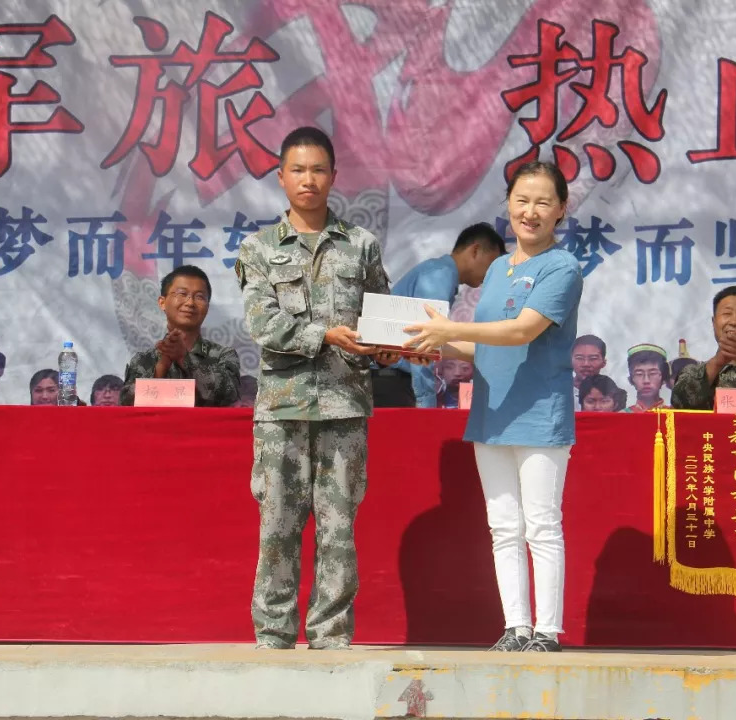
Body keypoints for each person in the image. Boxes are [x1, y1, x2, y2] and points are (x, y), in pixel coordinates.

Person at [404, 161, 583, 653]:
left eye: (543, 202)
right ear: (508, 204)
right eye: (522, 200)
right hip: (492, 411)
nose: (530, 211)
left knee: (541, 525)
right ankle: (516, 626)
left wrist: (450, 329)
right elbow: (484, 345)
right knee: (503, 526)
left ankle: (547, 631)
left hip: (540, 413)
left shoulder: (561, 267)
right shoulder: (499, 269)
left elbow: (523, 330)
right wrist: (432, 346)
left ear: (561, 209)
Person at [236, 126, 391, 650]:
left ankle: (331, 636)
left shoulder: (361, 245)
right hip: (281, 408)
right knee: (277, 526)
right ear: (281, 177)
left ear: (334, 176)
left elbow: (381, 318)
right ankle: (273, 635)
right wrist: (324, 335)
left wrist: (395, 347)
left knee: (338, 528)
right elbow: (263, 324)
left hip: (345, 405)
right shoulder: (259, 248)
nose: (309, 180)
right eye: (298, 170)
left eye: (318, 170)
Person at [375, 223, 506, 408]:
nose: (491, 275)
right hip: (392, 383)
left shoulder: (439, 273)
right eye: (492, 265)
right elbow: (422, 343)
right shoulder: (438, 276)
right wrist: (425, 404)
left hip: (392, 379)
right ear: (475, 250)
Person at [120, 265, 240, 407]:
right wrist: (161, 367)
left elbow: (229, 395)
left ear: (207, 306)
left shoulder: (223, 356)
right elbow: (127, 403)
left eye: (199, 297)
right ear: (162, 302)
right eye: (182, 294)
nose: (190, 303)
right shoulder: (144, 360)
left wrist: (185, 359)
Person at [623, 344, 668, 412]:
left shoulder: (675, 415)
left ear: (663, 378)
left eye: (653, 373)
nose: (646, 381)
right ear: (631, 379)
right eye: (639, 374)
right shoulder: (622, 416)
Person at [571, 334, 606, 405]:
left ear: (603, 363)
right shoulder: (559, 393)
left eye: (593, 358)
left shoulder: (612, 394)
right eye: (579, 358)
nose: (586, 364)